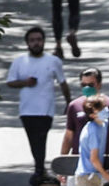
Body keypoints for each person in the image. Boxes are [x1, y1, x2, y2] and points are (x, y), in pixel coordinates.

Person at [4, 27, 66, 173]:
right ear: (27, 43)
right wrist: (25, 82)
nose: (36, 43)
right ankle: (39, 167)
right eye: (32, 40)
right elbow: (10, 82)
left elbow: (62, 82)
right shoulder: (19, 61)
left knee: (41, 137)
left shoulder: (53, 61)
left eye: (39, 40)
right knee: (33, 140)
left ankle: (39, 169)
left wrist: (69, 102)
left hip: (46, 109)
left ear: (44, 41)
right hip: (26, 110)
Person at [72, 97, 109, 186]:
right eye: (99, 109)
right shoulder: (93, 130)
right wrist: (106, 175)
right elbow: (93, 158)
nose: (104, 111)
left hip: (95, 175)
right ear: (92, 115)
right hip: (87, 176)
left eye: (103, 107)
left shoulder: (103, 125)